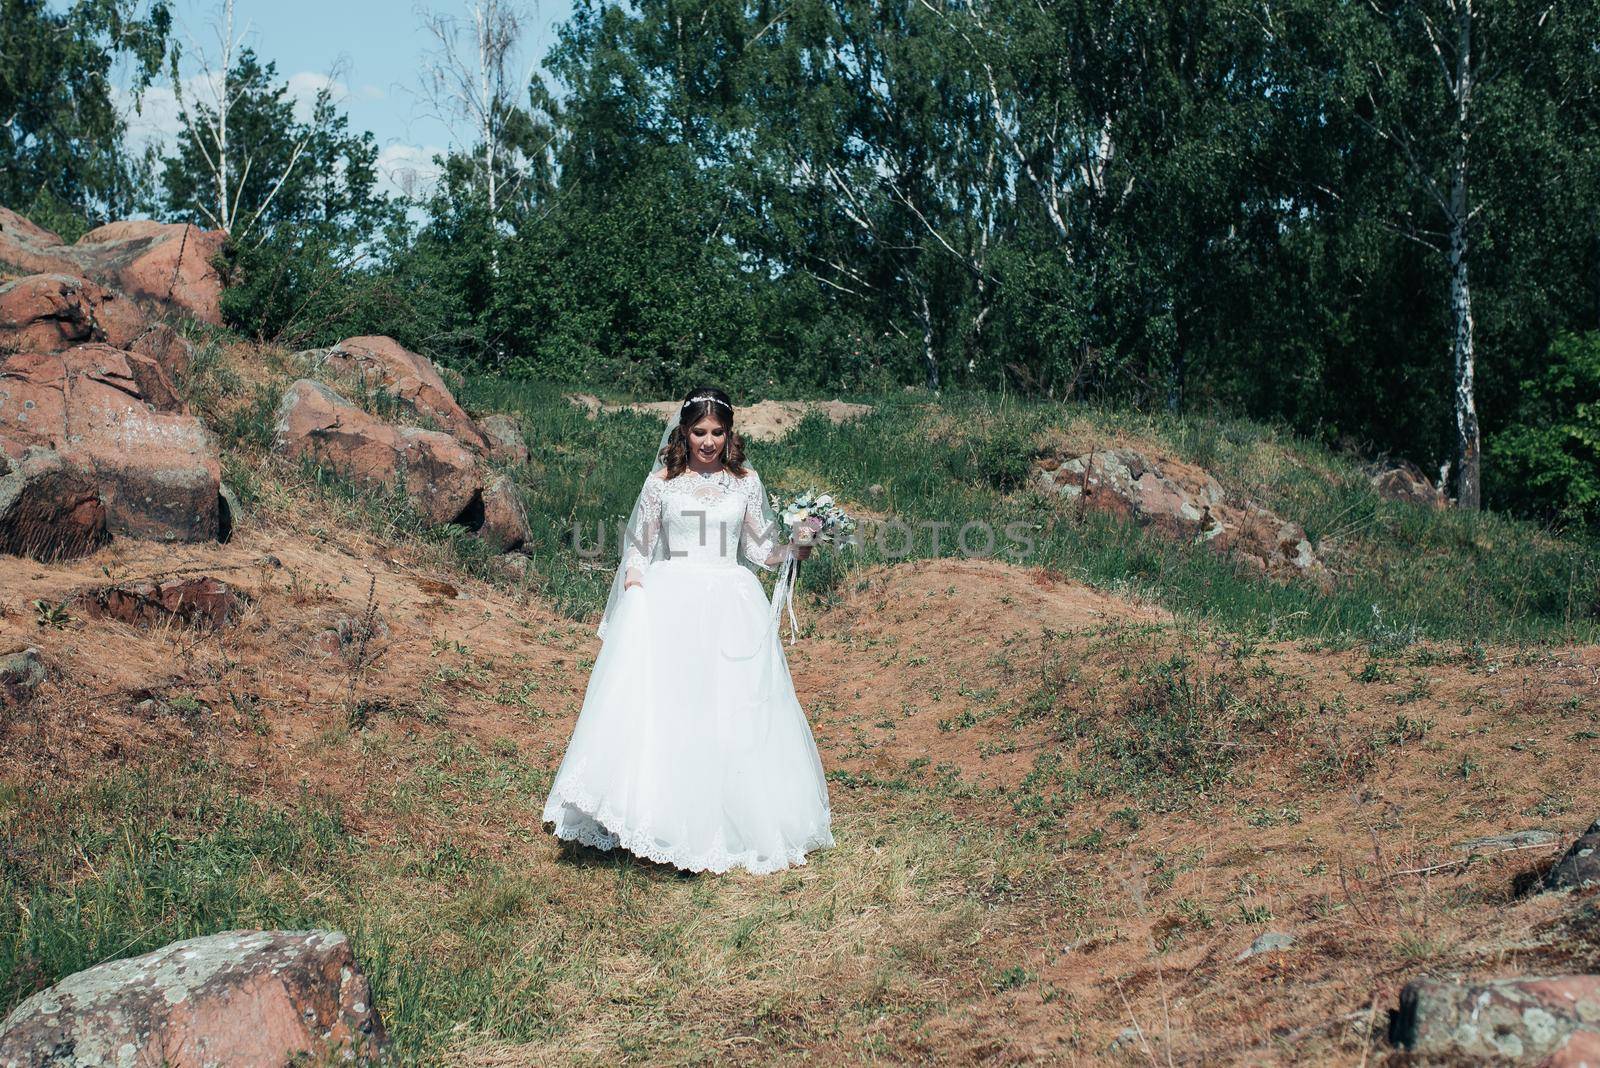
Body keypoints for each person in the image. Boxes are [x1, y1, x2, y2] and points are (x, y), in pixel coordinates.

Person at [540, 386, 835, 874]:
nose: (709, 441)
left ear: (729, 434)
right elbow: (639, 546)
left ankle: (726, 822)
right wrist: (636, 581)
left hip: (729, 601)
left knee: (728, 706)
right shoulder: (662, 483)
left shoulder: (745, 483)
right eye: (699, 432)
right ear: (684, 432)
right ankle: (655, 817)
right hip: (671, 598)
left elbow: (762, 551)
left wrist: (800, 544)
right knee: (672, 707)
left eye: (718, 432)